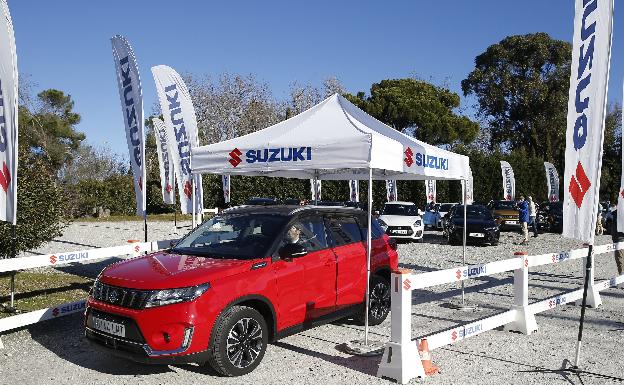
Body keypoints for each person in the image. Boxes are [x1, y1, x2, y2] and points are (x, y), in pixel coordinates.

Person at [610, 210, 624, 280]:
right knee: (620, 258)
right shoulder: (616, 213)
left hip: (619, 238)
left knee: (619, 258)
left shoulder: (616, 213)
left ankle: (622, 277)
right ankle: (622, 276)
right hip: (618, 238)